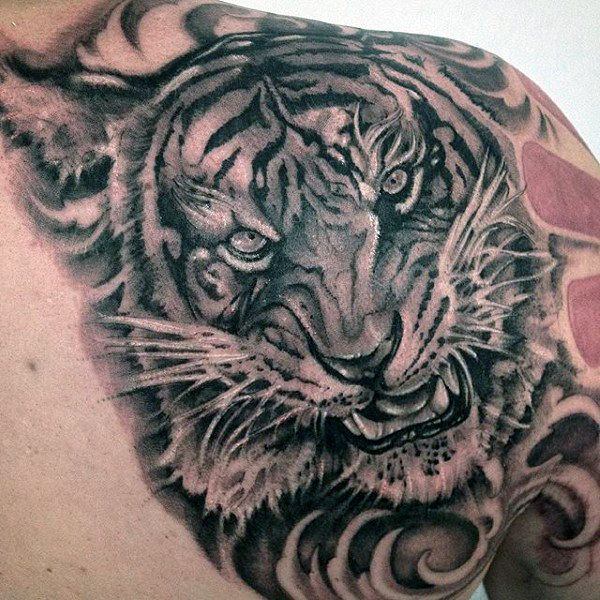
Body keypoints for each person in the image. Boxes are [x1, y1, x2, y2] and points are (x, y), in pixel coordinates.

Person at [0, 1, 598, 599]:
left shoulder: (494, 115)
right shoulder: (487, 95)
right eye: (246, 243)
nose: (359, 339)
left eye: (394, 184)